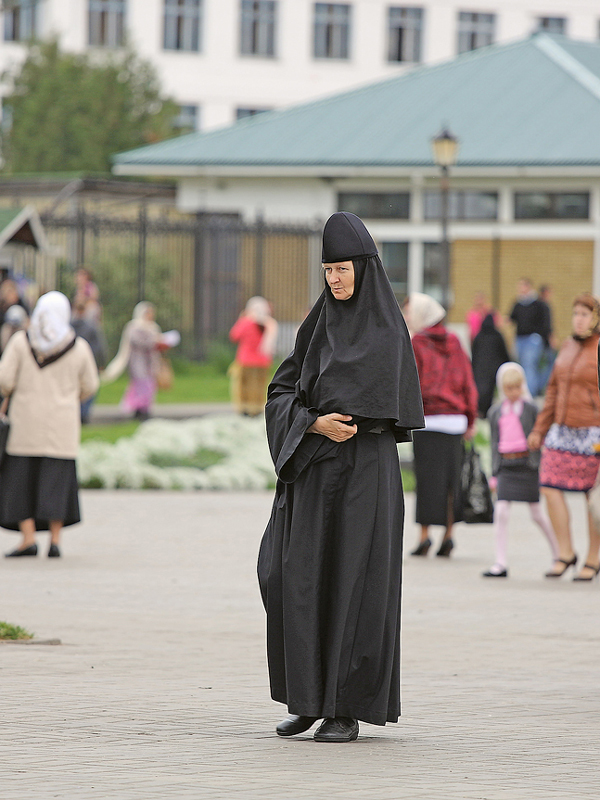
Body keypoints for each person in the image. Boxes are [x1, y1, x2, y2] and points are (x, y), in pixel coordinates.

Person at [257, 212, 424, 743]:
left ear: (365, 269)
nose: (334, 278)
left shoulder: (386, 329)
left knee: (354, 585)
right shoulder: (317, 325)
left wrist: (344, 421)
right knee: (294, 579)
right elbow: (281, 392)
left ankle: (344, 707)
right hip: (312, 472)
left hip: (364, 478)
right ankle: (306, 699)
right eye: (328, 269)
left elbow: (386, 404)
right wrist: (312, 423)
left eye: (343, 268)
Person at [0, 291, 99, 558]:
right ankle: (55, 541)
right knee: (57, 483)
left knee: (20, 482)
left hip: (24, 424)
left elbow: (4, 379)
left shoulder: (22, 342)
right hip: (61, 426)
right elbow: (90, 385)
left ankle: (28, 539)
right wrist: (68, 398)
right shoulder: (78, 347)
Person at [528, 293, 600, 582]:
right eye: (576, 314)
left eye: (585, 314)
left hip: (593, 432)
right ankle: (565, 553)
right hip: (562, 430)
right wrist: (539, 429)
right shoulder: (568, 346)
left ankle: (593, 557)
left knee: (591, 498)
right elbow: (553, 391)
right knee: (548, 486)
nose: (579, 319)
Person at [406, 292, 478, 558]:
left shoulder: (417, 343)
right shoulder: (455, 342)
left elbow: (411, 383)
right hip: (455, 422)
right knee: (451, 482)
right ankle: (449, 535)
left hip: (428, 420)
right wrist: (471, 418)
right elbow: (467, 380)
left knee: (426, 481)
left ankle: (424, 536)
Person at [483, 363, 558, 577]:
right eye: (508, 389)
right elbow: (494, 443)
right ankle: (500, 562)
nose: (513, 393)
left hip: (527, 465)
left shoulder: (531, 408)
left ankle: (558, 553)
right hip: (507, 466)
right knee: (502, 511)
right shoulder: (496, 412)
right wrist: (495, 473)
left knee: (537, 514)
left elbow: (541, 433)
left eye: (517, 387)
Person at [102, 302, 162, 420]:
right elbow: (137, 341)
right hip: (138, 362)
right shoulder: (135, 326)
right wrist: (152, 341)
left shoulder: (153, 327)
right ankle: (136, 409)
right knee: (141, 385)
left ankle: (145, 409)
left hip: (150, 363)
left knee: (149, 386)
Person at [229, 297, 278, 416]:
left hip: (245, 361)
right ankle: (258, 408)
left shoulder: (246, 322)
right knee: (259, 386)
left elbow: (234, 336)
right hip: (263, 362)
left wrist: (242, 318)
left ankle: (245, 409)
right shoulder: (269, 323)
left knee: (244, 386)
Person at [509, 278, 550, 397]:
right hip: (520, 339)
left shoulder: (537, 304)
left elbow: (544, 321)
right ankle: (526, 391)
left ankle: (530, 394)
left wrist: (542, 336)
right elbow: (513, 318)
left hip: (532, 339)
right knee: (522, 366)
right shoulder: (518, 304)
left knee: (529, 365)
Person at [71, 299, 106, 423]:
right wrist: (102, 362)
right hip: (89, 361)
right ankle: (84, 413)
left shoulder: (69, 326)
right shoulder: (91, 326)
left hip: (72, 362)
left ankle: (77, 411)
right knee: (89, 386)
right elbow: (99, 346)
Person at [471, 312, 510, 417]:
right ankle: (486, 411)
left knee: (480, 389)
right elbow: (504, 352)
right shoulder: (497, 336)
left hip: (480, 367)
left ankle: (480, 410)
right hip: (493, 368)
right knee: (489, 391)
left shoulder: (479, 336)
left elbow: (474, 352)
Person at [537, 284, 557, 393]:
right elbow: (547, 325)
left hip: (538, 339)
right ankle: (543, 385)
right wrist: (551, 338)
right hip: (544, 341)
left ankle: (540, 386)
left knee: (539, 364)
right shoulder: (545, 306)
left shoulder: (536, 306)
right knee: (549, 363)